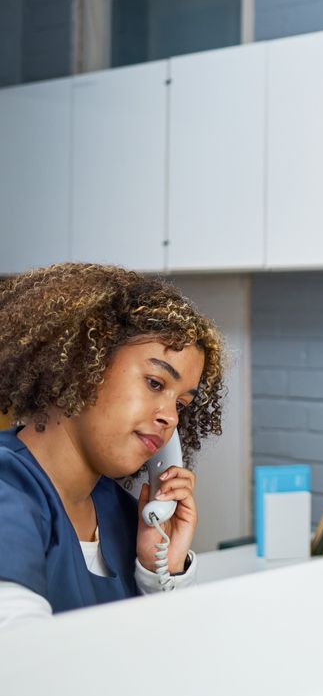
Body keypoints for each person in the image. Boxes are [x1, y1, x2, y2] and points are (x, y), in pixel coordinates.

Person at [0, 263, 225, 629]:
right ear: (81, 363)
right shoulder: (8, 491)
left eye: (181, 404)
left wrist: (161, 572)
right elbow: (26, 663)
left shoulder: (123, 514)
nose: (170, 417)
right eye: (155, 383)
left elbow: (168, 661)